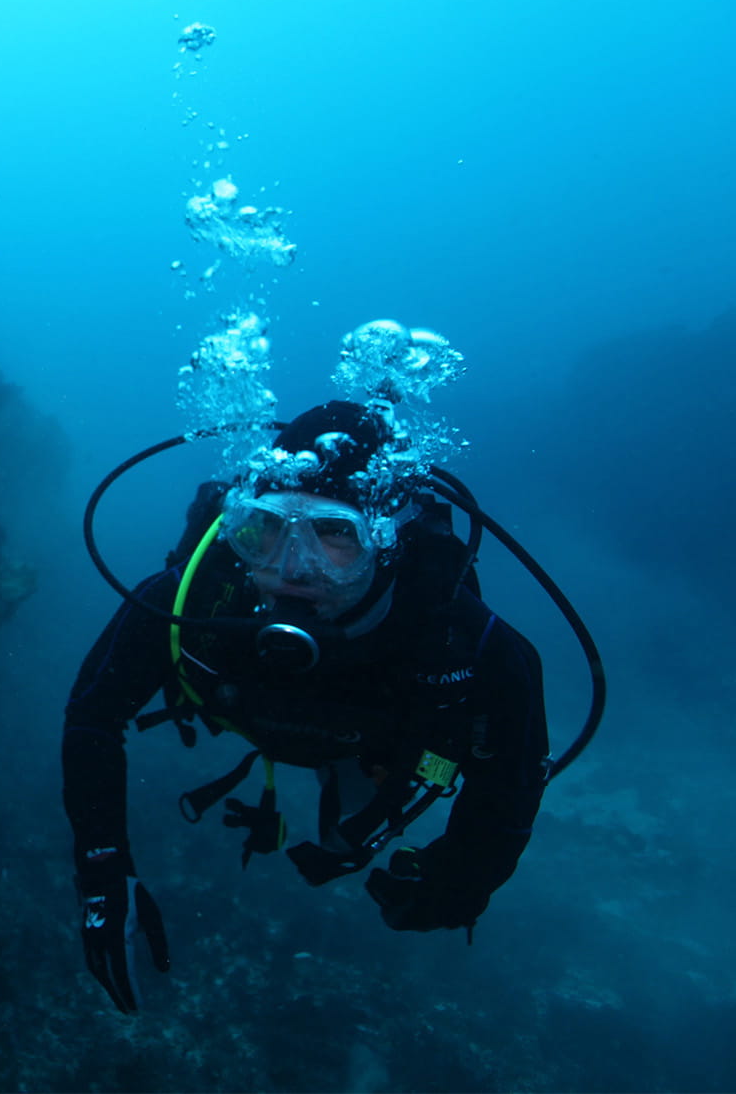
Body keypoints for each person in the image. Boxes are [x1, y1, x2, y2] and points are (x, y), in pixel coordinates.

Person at [62, 400, 550, 1013]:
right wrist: (104, 874)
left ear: (388, 541)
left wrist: (462, 880)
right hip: (261, 715)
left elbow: (510, 781)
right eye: (265, 528)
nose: (293, 566)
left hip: (371, 749)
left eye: (337, 533)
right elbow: (92, 715)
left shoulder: (467, 646)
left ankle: (348, 797)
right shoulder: (195, 597)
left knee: (346, 837)